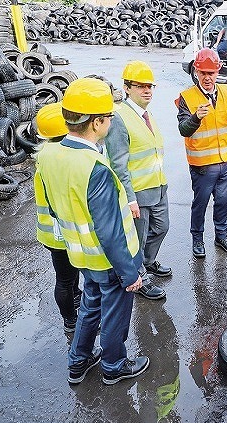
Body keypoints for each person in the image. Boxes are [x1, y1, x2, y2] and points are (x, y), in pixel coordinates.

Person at [36, 78, 149, 385]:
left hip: (79, 253)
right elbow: (110, 231)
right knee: (114, 314)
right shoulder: (94, 166)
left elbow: (55, 205)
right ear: (97, 122)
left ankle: (79, 361)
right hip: (108, 259)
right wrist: (130, 273)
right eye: (109, 117)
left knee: (89, 307)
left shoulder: (49, 154)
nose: (112, 120)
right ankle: (113, 365)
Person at [104, 61, 169, 301]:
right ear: (127, 88)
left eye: (150, 86)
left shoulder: (145, 114)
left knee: (162, 228)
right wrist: (129, 199)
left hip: (158, 187)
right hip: (138, 194)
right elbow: (118, 163)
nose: (147, 90)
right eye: (141, 86)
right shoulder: (120, 118)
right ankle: (139, 277)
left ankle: (149, 262)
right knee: (137, 241)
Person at [176, 48, 227, 258]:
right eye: (203, 73)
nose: (207, 78)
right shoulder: (187, 98)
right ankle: (197, 239)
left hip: (224, 162)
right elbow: (183, 129)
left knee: (223, 202)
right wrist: (196, 117)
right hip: (201, 165)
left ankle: (221, 236)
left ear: (218, 72)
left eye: (211, 73)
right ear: (196, 72)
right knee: (200, 204)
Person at [33, 102, 82, 333]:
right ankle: (70, 321)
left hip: (50, 232)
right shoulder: (63, 158)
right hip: (62, 231)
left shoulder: (44, 155)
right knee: (64, 279)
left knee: (67, 276)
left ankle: (75, 300)